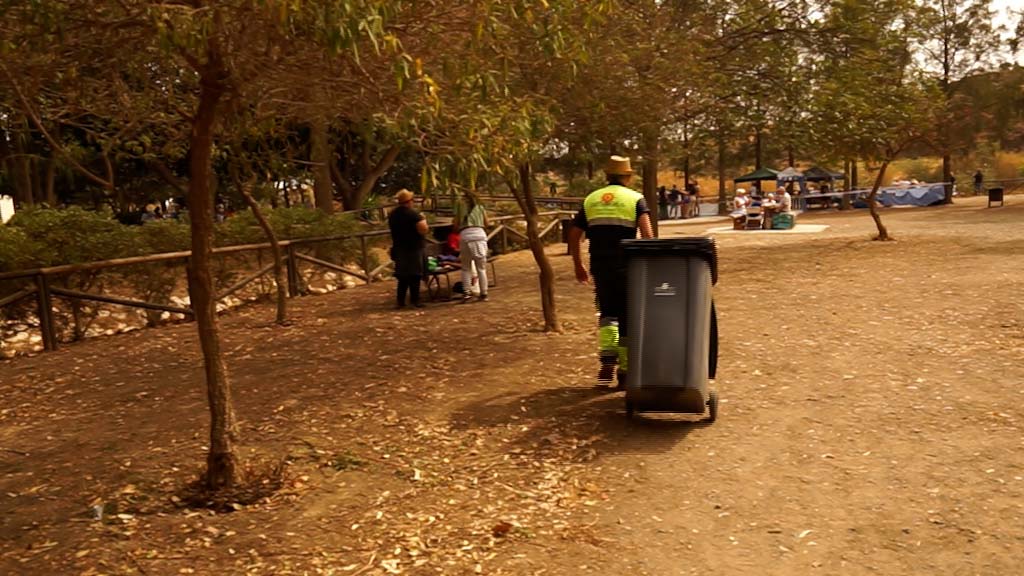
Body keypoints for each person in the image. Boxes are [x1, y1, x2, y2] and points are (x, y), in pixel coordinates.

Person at [568, 155, 654, 386]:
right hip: (629, 268)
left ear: (607, 176)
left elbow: (574, 235)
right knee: (628, 316)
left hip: (600, 266)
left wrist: (578, 264)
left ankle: (607, 361)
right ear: (627, 176)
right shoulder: (635, 198)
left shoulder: (591, 199)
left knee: (608, 314)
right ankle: (625, 370)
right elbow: (647, 234)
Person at [388, 189, 429, 309]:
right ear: (409, 201)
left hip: (399, 247)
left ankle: (400, 301)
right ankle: (415, 300)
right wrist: (423, 219)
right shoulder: (413, 214)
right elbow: (423, 229)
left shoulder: (393, 215)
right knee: (415, 275)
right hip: (414, 247)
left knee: (402, 276)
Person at [453, 191, 489, 302]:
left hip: (465, 235)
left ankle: (467, 293)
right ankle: (484, 293)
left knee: (466, 267)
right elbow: (486, 222)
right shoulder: (480, 206)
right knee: (481, 268)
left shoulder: (460, 205)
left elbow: (456, 223)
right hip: (479, 234)